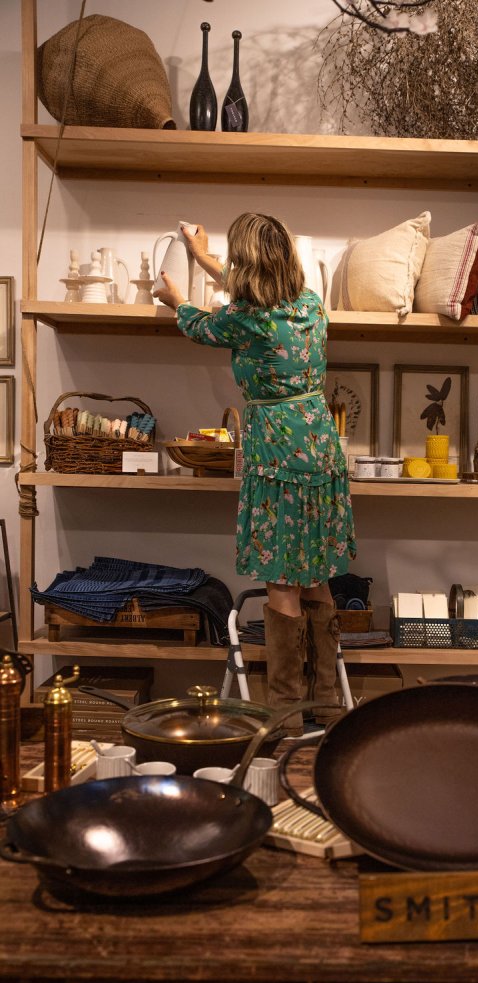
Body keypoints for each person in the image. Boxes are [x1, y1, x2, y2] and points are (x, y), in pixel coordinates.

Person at [154, 213, 356, 735]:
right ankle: (328, 705)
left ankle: (286, 713)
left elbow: (201, 324)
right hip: (320, 445)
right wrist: (204, 259)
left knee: (282, 581)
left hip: (279, 451)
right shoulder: (308, 305)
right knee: (316, 576)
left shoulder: (248, 319)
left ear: (248, 264)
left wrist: (175, 296)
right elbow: (250, 292)